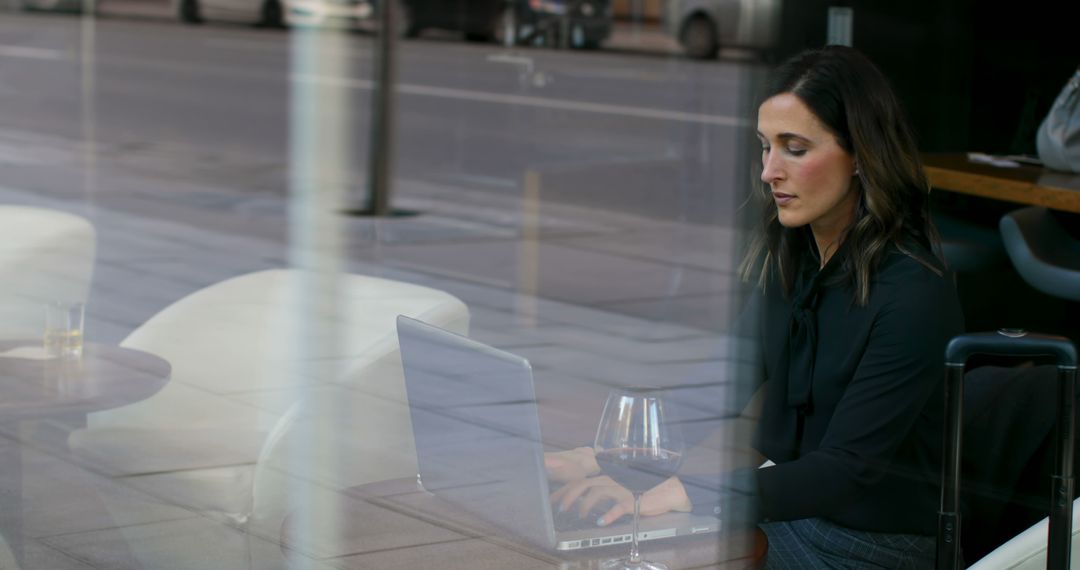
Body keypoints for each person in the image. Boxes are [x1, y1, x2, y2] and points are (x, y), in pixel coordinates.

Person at [546, 45, 965, 568]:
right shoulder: (796, 257)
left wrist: (684, 493)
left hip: (870, 547)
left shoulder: (914, 291)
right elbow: (721, 385)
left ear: (861, 155)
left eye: (794, 148)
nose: (769, 172)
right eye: (764, 147)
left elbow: (846, 470)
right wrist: (597, 459)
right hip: (788, 515)